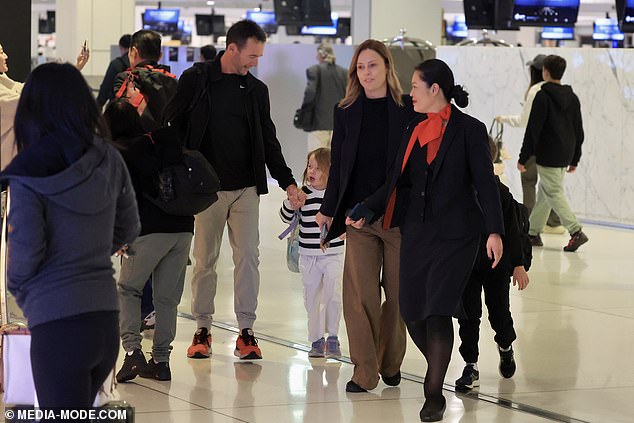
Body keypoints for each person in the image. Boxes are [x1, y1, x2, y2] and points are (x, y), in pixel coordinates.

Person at [350, 59, 504, 421]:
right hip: (416, 232)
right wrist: (368, 208)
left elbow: (485, 183)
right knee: (411, 310)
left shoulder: (469, 130)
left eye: (415, 86)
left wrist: (495, 231)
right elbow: (396, 181)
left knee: (437, 312)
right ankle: (438, 360)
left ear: (435, 89)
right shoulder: (414, 127)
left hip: (457, 236)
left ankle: (433, 393)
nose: (410, 93)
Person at [0, 62, 140, 409]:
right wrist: (89, 251)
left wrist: (23, 290)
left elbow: (26, 252)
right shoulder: (108, 156)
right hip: (105, 317)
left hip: (56, 320)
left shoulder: (29, 171)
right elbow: (129, 226)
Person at [164, 20, 302, 361]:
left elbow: (269, 141)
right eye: (252, 55)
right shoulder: (197, 80)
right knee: (205, 261)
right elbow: (173, 124)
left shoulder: (256, 91)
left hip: (245, 189)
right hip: (206, 189)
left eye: (259, 56)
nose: (256, 62)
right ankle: (202, 328)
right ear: (232, 49)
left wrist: (287, 181)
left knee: (248, 258)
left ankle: (246, 331)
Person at [315, 39, 417, 393]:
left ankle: (390, 361)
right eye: (360, 67)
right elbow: (340, 166)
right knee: (360, 296)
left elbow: (404, 170)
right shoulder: (345, 110)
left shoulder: (406, 110)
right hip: (358, 220)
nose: (366, 73)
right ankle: (364, 369)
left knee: (399, 296)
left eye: (372, 65)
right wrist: (329, 209)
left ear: (387, 67)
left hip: (398, 217)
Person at [104, 99, 193, 382]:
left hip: (146, 230)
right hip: (182, 228)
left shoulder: (121, 153)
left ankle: (132, 354)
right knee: (166, 299)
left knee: (129, 289)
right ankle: (162, 361)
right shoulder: (163, 140)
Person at [455, 137, 530, 392]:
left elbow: (514, 232)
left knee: (499, 314)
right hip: (466, 266)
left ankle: (506, 346)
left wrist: (519, 265)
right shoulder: (459, 192)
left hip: (497, 267)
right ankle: (470, 364)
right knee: (468, 316)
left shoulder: (501, 194)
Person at [518, 54, 588, 252]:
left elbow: (534, 129)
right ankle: (532, 233)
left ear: (545, 72)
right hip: (565, 154)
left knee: (553, 192)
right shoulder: (573, 98)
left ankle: (576, 231)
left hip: (548, 154)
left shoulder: (542, 96)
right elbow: (579, 131)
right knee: (545, 193)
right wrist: (575, 158)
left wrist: (523, 157)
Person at [280, 148, 344, 358]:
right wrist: (291, 203)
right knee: (311, 297)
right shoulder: (303, 194)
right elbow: (285, 216)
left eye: (318, 167)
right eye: (309, 166)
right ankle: (316, 339)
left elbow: (345, 219)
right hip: (307, 256)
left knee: (333, 294)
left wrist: (346, 231)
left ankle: (333, 336)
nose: (312, 171)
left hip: (333, 254)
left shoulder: (335, 195)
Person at [496, 54, 563, 234]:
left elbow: (524, 121)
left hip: (536, 144)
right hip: (555, 146)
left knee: (528, 180)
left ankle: (528, 221)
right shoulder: (559, 90)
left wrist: (504, 119)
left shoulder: (536, 91)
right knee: (550, 185)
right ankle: (553, 221)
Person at [1, 41, 89, 170]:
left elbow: (27, 90)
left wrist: (73, 70)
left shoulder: (4, 81)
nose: (6, 56)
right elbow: (31, 97)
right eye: (1, 53)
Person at [114, 29, 177, 131]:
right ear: (160, 55)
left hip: (135, 143)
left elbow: (120, 117)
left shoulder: (126, 78)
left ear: (134, 52)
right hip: (166, 143)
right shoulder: (173, 81)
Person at [299, 42, 347, 151]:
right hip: (338, 126)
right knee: (335, 161)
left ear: (321, 54)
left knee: (316, 160)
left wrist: (304, 111)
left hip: (319, 124)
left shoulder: (315, 70)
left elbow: (310, 93)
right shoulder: (344, 73)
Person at [96, 34, 131, 108]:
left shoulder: (116, 64)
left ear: (121, 48)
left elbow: (105, 89)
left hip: (117, 109)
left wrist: (97, 109)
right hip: (136, 110)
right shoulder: (140, 64)